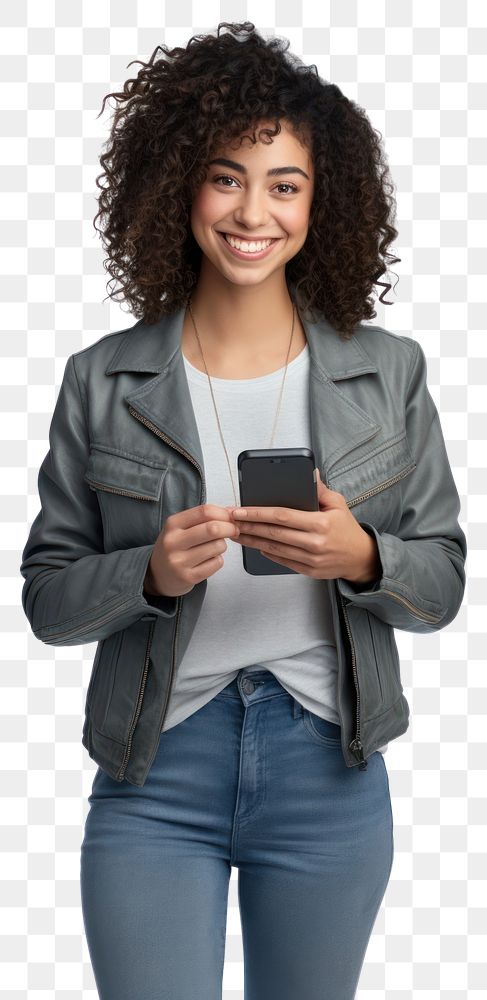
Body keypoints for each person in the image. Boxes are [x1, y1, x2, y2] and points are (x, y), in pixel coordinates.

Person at [19, 21, 467, 1000]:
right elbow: (48, 598)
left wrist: (360, 556)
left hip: (327, 775)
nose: (252, 210)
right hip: (154, 774)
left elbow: (441, 584)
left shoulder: (385, 371)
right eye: (225, 177)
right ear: (177, 184)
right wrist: (147, 573)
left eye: (285, 184)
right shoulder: (103, 378)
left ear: (322, 200)